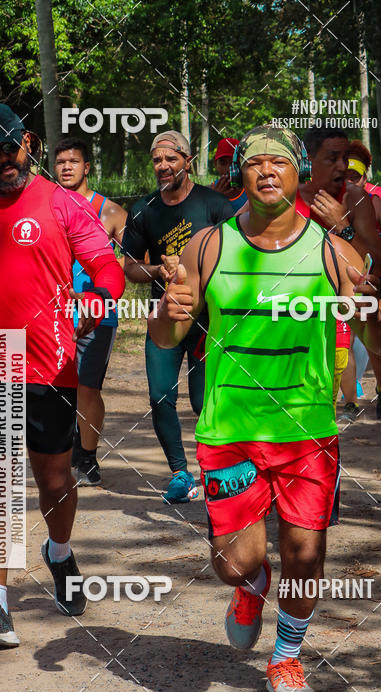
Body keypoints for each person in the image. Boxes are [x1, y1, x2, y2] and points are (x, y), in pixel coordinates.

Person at [149, 126, 381, 692]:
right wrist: (167, 310)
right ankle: (250, 588)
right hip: (230, 429)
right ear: (242, 177)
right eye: (254, 163)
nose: (266, 171)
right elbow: (167, 338)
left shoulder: (334, 252)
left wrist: (372, 309)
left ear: (296, 176)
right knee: (237, 563)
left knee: (306, 554)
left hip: (306, 429)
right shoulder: (207, 247)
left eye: (278, 163)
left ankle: (286, 658)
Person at [0, 103, 124, 648]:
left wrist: (99, 299)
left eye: (11, 149)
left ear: (28, 142)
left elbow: (106, 265)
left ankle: (59, 552)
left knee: (54, 483)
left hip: (46, 364)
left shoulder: (61, 204)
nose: (4, 163)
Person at [121, 130, 233, 503]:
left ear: (187, 160)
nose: (163, 166)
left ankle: (213, 469)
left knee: (205, 401)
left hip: (207, 318)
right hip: (163, 315)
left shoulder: (215, 205)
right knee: (159, 395)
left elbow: (238, 257)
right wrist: (159, 270)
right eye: (157, 160)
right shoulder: (144, 210)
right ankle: (179, 475)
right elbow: (131, 267)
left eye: (171, 158)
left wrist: (199, 268)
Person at [298, 127, 381, 420]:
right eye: (333, 158)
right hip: (298, 305)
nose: (343, 166)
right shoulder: (287, 200)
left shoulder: (355, 198)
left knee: (372, 349)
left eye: (345, 158)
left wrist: (342, 227)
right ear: (309, 161)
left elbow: (376, 261)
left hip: (347, 298)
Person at [54, 137, 127, 486]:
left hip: (96, 314)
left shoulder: (111, 211)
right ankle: (63, 448)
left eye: (73, 161)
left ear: (87, 167)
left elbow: (133, 262)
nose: (67, 167)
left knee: (87, 388)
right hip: (52, 313)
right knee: (54, 389)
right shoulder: (45, 205)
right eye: (61, 162)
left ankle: (87, 458)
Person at [341, 140, 381, 423]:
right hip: (340, 281)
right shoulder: (328, 199)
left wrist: (376, 248)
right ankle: (350, 398)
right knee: (341, 340)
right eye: (345, 175)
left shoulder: (377, 201)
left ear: (366, 175)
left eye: (355, 176)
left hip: (375, 279)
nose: (349, 181)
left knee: (373, 343)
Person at [211, 137, 248, 213]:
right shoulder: (207, 192)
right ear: (215, 164)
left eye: (234, 164)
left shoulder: (251, 192)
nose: (229, 169)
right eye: (223, 163)